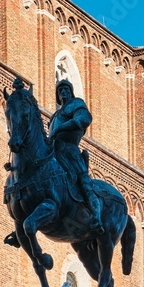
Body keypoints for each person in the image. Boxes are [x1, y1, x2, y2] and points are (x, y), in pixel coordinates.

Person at [49, 79, 104, 234]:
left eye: (66, 89)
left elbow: (84, 119)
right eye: (60, 91)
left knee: (84, 182)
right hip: (53, 150)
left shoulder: (76, 104)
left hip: (70, 150)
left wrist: (62, 127)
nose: (63, 93)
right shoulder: (55, 115)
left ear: (71, 91)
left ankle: (96, 216)